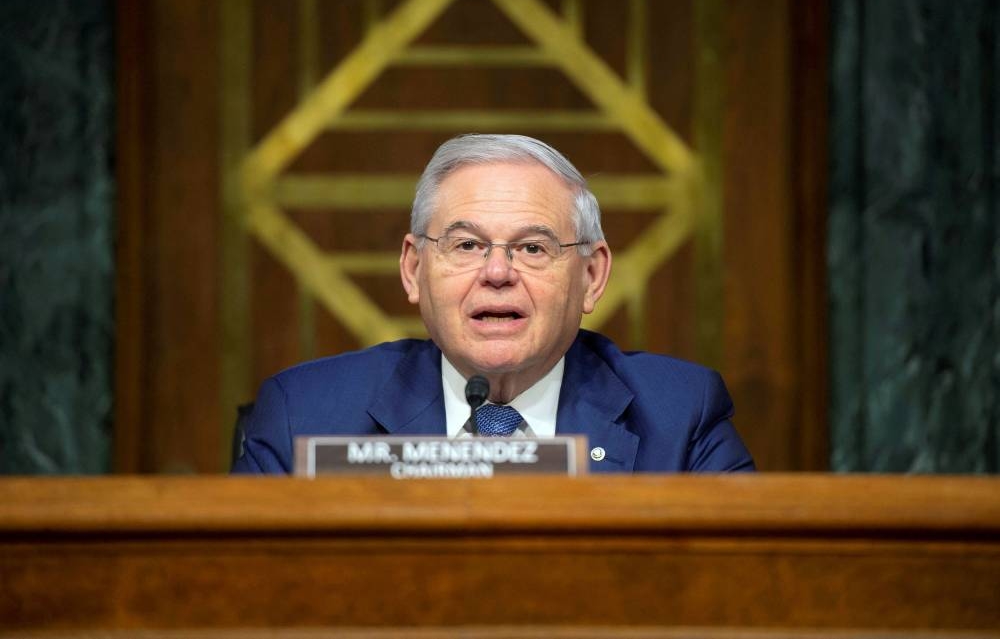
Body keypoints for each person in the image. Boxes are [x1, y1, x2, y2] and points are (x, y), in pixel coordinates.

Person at [232, 134, 754, 473]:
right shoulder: (304, 416)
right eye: (466, 245)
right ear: (413, 270)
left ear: (591, 276)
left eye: (533, 247)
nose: (498, 273)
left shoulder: (679, 415)